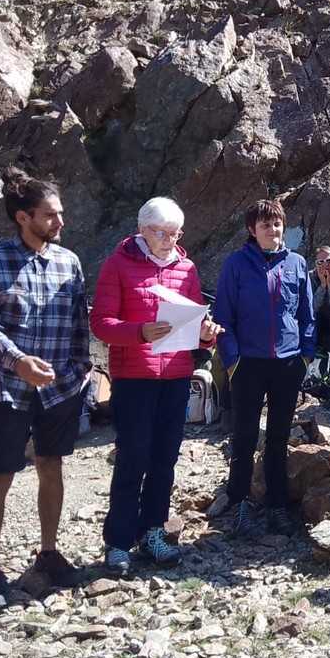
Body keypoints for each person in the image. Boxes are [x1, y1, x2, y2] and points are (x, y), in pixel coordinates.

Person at [0, 168, 91, 612]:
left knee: (52, 465)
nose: (60, 222)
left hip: (60, 389)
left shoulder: (69, 262)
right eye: (50, 215)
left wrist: (79, 371)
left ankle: (49, 553)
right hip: (5, 388)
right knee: (0, 473)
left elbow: (80, 323)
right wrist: (17, 361)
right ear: (23, 217)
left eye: (60, 213)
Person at [90, 198, 222, 575]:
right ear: (142, 230)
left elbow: (193, 324)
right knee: (132, 458)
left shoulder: (186, 268)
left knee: (165, 460)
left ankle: (153, 533)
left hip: (177, 376)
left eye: (175, 234)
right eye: (162, 234)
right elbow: (100, 322)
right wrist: (140, 332)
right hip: (134, 378)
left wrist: (206, 335)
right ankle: (118, 542)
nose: (169, 241)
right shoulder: (118, 264)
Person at [214, 198, 314, 539]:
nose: (273, 230)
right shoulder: (236, 264)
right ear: (252, 230)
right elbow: (223, 317)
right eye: (265, 225)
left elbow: (306, 316)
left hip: (288, 363)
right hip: (248, 364)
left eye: (277, 223)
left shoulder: (297, 264)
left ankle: (276, 506)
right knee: (243, 438)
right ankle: (240, 504)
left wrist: (305, 357)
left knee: (278, 437)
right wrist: (232, 362)